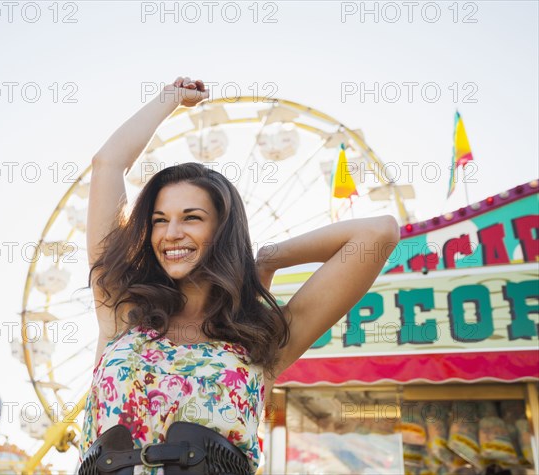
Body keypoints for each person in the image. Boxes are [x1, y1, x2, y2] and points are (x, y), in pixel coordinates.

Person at [79, 76, 400, 474]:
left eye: (191, 218)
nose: (171, 233)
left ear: (223, 230)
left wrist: (265, 260)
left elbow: (378, 232)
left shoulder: (262, 341)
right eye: (160, 220)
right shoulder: (122, 311)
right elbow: (107, 164)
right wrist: (170, 99)